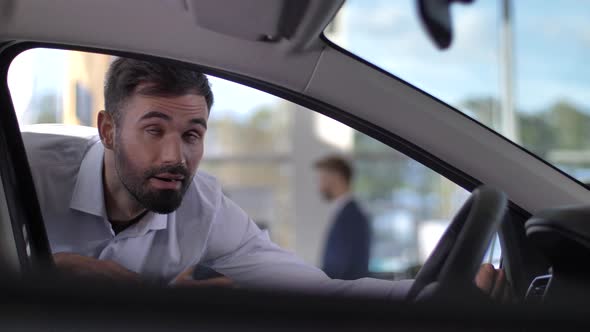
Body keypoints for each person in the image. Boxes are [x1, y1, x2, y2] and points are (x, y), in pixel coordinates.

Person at [23, 57, 507, 300]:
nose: (176, 156)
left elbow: (316, 293)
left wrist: (430, 292)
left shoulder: (204, 208)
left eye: (193, 133)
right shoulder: (23, 169)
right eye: (154, 130)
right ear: (108, 129)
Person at [315, 156, 370, 280]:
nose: (319, 185)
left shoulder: (351, 215)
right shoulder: (345, 211)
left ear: (336, 178)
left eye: (322, 178)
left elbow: (341, 265)